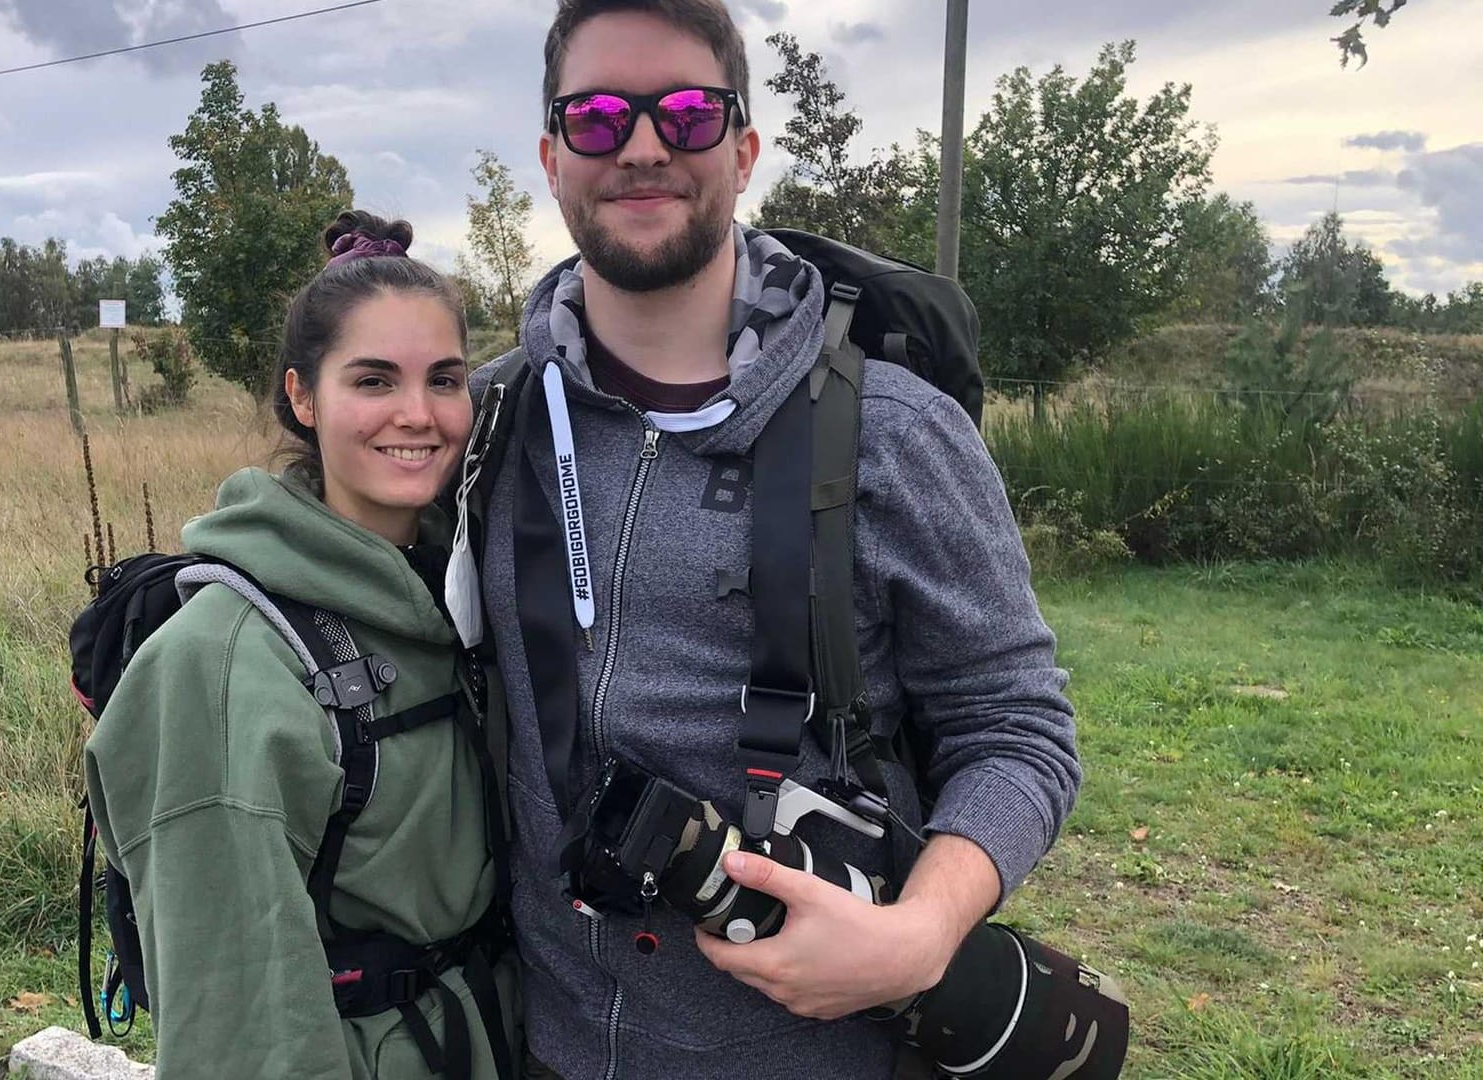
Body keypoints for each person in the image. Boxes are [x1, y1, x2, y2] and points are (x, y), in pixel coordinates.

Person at [459, 3, 1083, 1077]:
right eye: (599, 118)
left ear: (743, 151)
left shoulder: (893, 432)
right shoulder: (491, 422)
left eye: (690, 115)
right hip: (548, 1048)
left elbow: (1018, 731)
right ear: (554, 159)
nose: (645, 146)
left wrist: (919, 934)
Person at [84, 211, 518, 1080]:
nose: (418, 414)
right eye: (372, 380)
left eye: (443, 379)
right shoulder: (221, 666)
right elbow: (237, 1032)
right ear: (301, 396)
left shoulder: (466, 591)